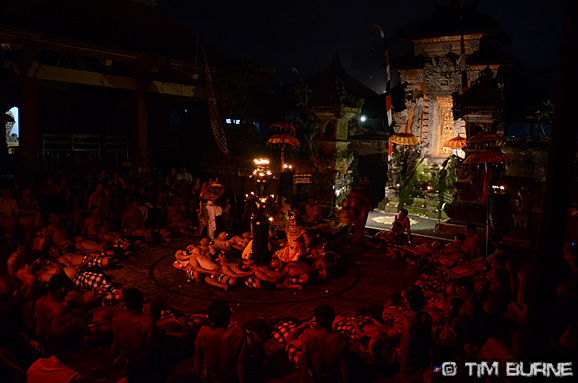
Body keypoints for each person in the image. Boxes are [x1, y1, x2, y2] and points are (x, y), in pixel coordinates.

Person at [105, 287, 168, 382]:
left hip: (129, 359)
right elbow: (149, 347)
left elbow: (115, 343)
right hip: (141, 363)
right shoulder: (147, 320)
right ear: (141, 302)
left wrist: (107, 365)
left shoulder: (118, 317)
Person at [193, 301, 247, 383]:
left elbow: (198, 360)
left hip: (212, 376)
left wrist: (194, 379)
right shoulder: (238, 333)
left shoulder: (203, 332)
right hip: (229, 377)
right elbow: (240, 362)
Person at [297, 305, 349, 383]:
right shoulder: (342, 338)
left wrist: (302, 381)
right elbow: (343, 362)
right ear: (333, 319)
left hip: (316, 376)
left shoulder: (308, 333)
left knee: (294, 349)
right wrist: (346, 380)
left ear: (316, 320)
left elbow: (304, 359)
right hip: (333, 376)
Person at [338, 179, 372, 245]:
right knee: (359, 224)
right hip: (357, 207)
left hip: (351, 207)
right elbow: (367, 202)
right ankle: (356, 239)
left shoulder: (354, 189)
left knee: (355, 224)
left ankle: (354, 238)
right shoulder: (366, 191)